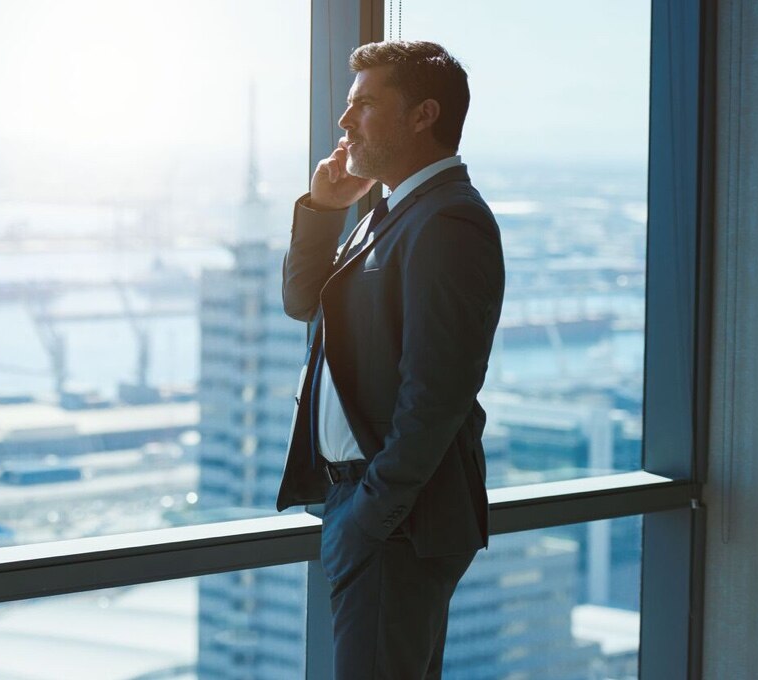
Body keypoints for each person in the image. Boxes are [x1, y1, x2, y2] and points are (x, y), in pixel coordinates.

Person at [275, 40, 505, 679]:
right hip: (372, 509)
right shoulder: (390, 212)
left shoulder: (448, 221)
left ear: (422, 115)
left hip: (397, 519)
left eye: (365, 106)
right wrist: (324, 207)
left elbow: (436, 394)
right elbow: (302, 301)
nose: (345, 124)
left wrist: (372, 517)